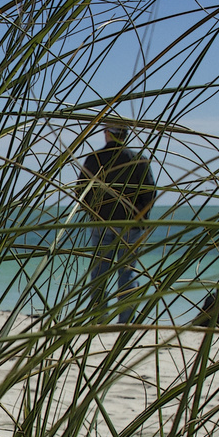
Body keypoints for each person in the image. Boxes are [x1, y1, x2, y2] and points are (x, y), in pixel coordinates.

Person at [77, 120, 157, 323]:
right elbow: (150, 193)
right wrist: (140, 218)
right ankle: (126, 319)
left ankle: (99, 317)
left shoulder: (95, 160)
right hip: (131, 224)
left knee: (99, 272)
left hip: (101, 224)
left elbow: (80, 191)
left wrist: (94, 213)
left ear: (107, 134)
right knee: (127, 272)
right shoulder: (138, 160)